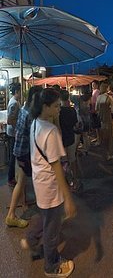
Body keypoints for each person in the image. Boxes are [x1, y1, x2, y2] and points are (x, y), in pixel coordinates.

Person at [23, 88, 76, 277]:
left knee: (45, 215)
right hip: (50, 185)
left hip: (40, 181)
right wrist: (68, 198)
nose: (59, 109)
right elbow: (56, 167)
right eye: (55, 106)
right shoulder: (51, 131)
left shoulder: (35, 123)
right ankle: (51, 265)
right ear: (45, 107)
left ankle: (30, 239)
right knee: (52, 229)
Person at [6, 86, 43, 228]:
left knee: (21, 181)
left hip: (19, 149)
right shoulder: (29, 114)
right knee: (26, 181)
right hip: (25, 151)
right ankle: (13, 215)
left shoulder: (24, 109)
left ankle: (16, 211)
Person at [59, 90, 80, 188]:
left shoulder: (58, 112)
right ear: (68, 98)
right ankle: (74, 181)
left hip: (61, 140)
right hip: (71, 138)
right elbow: (75, 125)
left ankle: (66, 182)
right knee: (72, 160)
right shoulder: (72, 110)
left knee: (63, 162)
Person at [6, 83, 22, 187]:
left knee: (13, 155)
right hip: (13, 133)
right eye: (20, 91)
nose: (21, 93)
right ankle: (10, 178)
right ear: (17, 92)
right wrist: (17, 128)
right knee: (13, 156)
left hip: (13, 132)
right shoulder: (14, 103)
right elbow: (9, 120)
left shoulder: (15, 102)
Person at [95, 82, 113, 161]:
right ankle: (109, 154)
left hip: (101, 119)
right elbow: (112, 110)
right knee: (109, 136)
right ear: (107, 89)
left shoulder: (98, 97)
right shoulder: (109, 98)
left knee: (103, 136)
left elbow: (96, 109)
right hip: (108, 118)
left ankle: (104, 153)